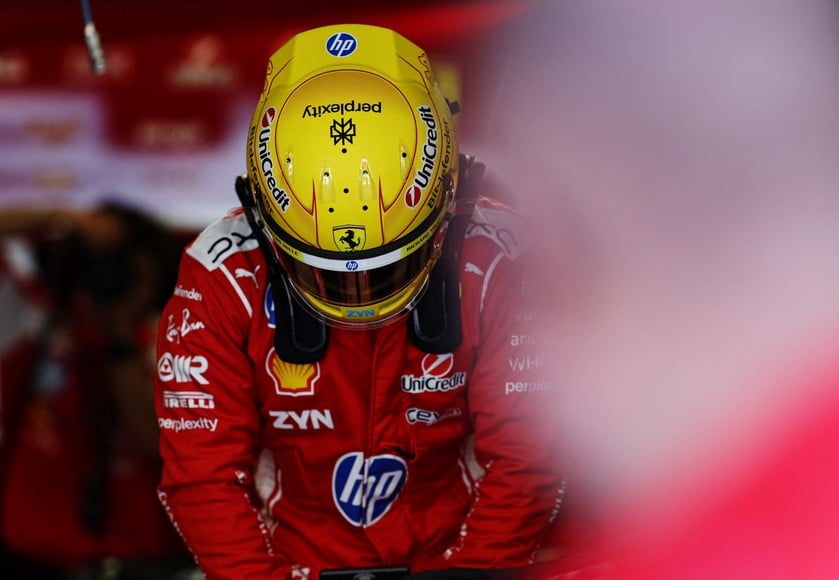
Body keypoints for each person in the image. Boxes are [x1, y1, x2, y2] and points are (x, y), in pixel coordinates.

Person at [154, 24, 564, 579]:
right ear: (264, 220)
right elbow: (202, 475)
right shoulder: (220, 272)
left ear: (449, 203)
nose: (361, 295)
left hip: (461, 560)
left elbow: (528, 456)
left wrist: (473, 575)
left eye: (390, 265)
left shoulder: (505, 258)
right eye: (323, 272)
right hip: (292, 566)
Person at [0, 202, 193, 579]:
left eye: (122, 263)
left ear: (152, 269)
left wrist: (119, 339)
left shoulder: (181, 341)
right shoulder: (33, 325)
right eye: (95, 262)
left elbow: (164, 444)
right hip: (31, 559)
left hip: (147, 565)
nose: (107, 275)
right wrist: (59, 218)